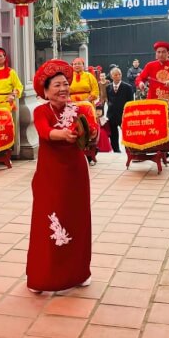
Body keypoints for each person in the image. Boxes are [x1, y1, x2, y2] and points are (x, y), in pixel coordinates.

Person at [27, 59, 94, 293]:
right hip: (50, 174)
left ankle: (79, 272)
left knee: (78, 220)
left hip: (76, 173)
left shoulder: (79, 110)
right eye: (56, 85)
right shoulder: (40, 111)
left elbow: (88, 134)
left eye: (65, 83)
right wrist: (61, 134)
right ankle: (42, 276)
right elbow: (44, 131)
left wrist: (90, 133)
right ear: (45, 91)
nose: (63, 88)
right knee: (48, 221)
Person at [136, 41, 169, 128]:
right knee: (153, 126)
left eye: (163, 52)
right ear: (156, 54)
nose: (161, 54)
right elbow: (140, 78)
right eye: (158, 52)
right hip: (153, 99)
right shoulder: (150, 65)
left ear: (168, 53)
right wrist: (140, 83)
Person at [105, 67, 134, 153]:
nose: (118, 76)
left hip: (124, 114)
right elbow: (106, 100)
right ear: (111, 76)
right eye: (115, 75)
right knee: (113, 134)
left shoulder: (127, 87)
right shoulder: (107, 88)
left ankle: (129, 149)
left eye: (119, 74)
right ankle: (116, 150)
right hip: (112, 115)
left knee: (127, 133)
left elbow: (131, 102)